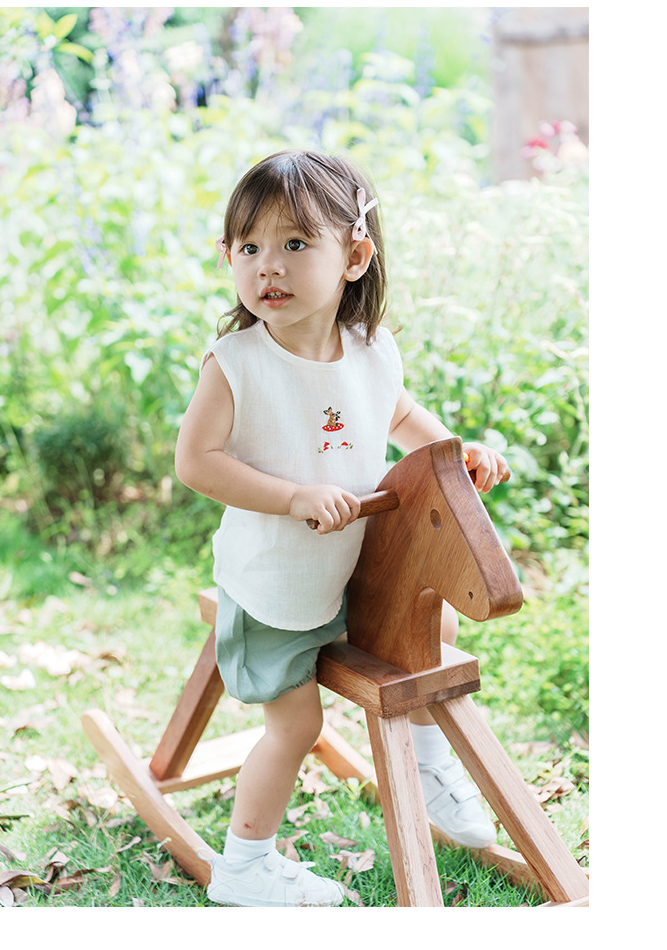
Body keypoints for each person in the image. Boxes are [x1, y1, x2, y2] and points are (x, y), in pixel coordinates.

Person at [175, 150, 509, 907]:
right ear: (228, 258)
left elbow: (399, 414)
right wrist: (293, 496)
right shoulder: (236, 364)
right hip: (278, 587)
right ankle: (245, 865)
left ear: (355, 257)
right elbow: (197, 462)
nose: (269, 265)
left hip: (354, 567)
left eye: (295, 243)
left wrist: (454, 453)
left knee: (433, 626)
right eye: (249, 247)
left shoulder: (370, 349)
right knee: (295, 727)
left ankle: (428, 760)